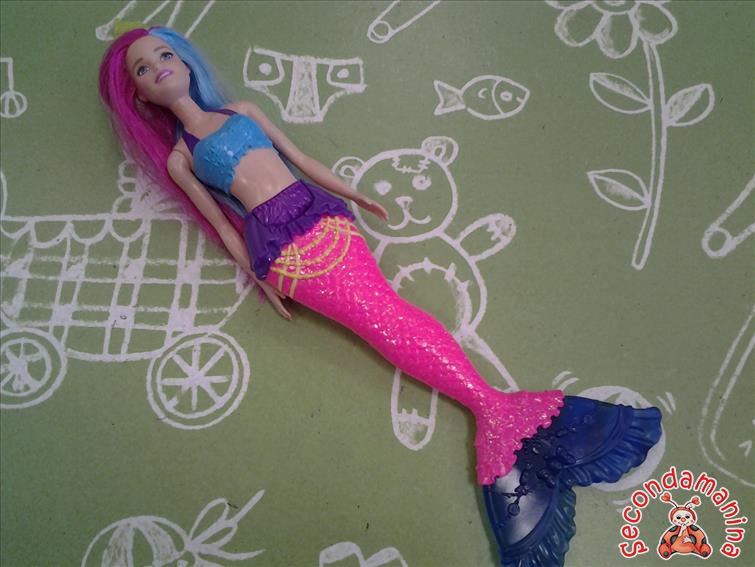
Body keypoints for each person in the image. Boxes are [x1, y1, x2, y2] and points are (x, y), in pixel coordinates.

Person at [98, 26, 662, 566]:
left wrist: (353, 193)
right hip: (280, 249)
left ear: (183, 59)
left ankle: (496, 410)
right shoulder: (181, 159)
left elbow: (300, 160)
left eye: (163, 55)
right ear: (140, 95)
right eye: (143, 70)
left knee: (390, 311)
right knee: (378, 322)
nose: (158, 69)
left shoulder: (241, 110)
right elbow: (222, 225)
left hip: (317, 212)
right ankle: (496, 411)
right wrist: (259, 277)